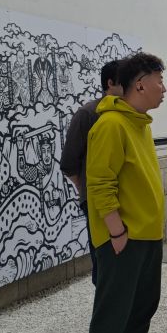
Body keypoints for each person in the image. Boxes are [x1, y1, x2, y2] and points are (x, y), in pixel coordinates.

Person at [86, 52, 167, 333]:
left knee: (142, 305)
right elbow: (99, 183)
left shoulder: (139, 123)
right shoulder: (111, 125)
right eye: (159, 81)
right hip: (124, 238)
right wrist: (117, 231)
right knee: (112, 311)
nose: (163, 89)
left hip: (147, 235)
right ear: (140, 84)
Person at [61, 60, 122, 284]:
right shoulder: (88, 114)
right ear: (110, 83)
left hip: (125, 199)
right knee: (104, 259)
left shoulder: (129, 114)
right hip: (98, 201)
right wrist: (85, 187)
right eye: (125, 81)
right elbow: (69, 162)